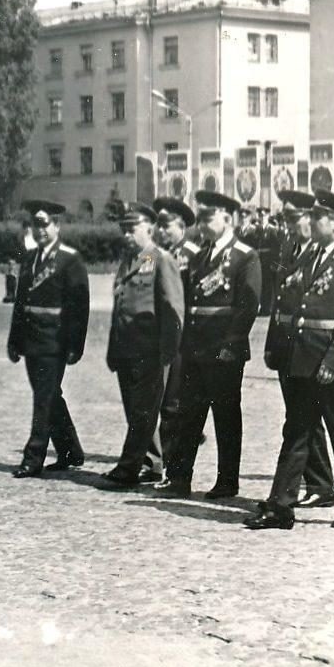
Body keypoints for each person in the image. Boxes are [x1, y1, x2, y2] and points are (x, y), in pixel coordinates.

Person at [248, 190, 334, 530]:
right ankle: (280, 506)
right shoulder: (311, 255)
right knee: (297, 432)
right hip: (303, 359)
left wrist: (332, 362)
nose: (311, 222)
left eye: (317, 216)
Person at [156, 191, 261, 499]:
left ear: (227, 218)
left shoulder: (245, 255)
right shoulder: (200, 255)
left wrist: (233, 342)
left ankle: (227, 480)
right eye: (199, 219)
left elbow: (247, 307)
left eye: (207, 218)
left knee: (226, 416)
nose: (201, 224)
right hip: (195, 346)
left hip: (223, 347)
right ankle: (179, 478)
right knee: (189, 414)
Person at [101, 204, 185, 489]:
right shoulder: (128, 260)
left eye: (132, 227)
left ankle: (128, 468)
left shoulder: (161, 260)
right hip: (126, 349)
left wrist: (168, 352)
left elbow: (173, 308)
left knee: (143, 412)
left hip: (150, 351)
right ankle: (152, 464)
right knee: (134, 409)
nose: (126, 233)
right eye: (123, 228)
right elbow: (119, 308)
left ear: (149, 228)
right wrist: (113, 349)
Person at [7, 199, 89, 478]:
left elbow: (79, 308)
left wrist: (75, 345)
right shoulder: (30, 258)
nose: (38, 230)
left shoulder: (70, 260)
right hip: (31, 339)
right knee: (49, 395)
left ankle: (34, 457)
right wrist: (14, 340)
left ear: (56, 226)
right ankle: (70, 450)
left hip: (55, 341)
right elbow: (20, 301)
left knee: (43, 398)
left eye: (43, 224)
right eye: (34, 225)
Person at [268, 190, 334, 505]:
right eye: (287, 219)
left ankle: (318, 485)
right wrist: (272, 342)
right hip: (287, 341)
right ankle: (320, 483)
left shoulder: (320, 254)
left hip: (309, 345)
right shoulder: (290, 248)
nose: (292, 225)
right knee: (301, 417)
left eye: (295, 218)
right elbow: (279, 298)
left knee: (305, 418)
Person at [146, 196, 202, 481]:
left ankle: (168, 462)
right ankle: (154, 459)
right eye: (158, 224)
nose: (161, 230)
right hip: (154, 337)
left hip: (182, 340)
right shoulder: (151, 253)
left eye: (166, 225)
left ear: (181, 226)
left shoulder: (192, 254)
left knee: (172, 403)